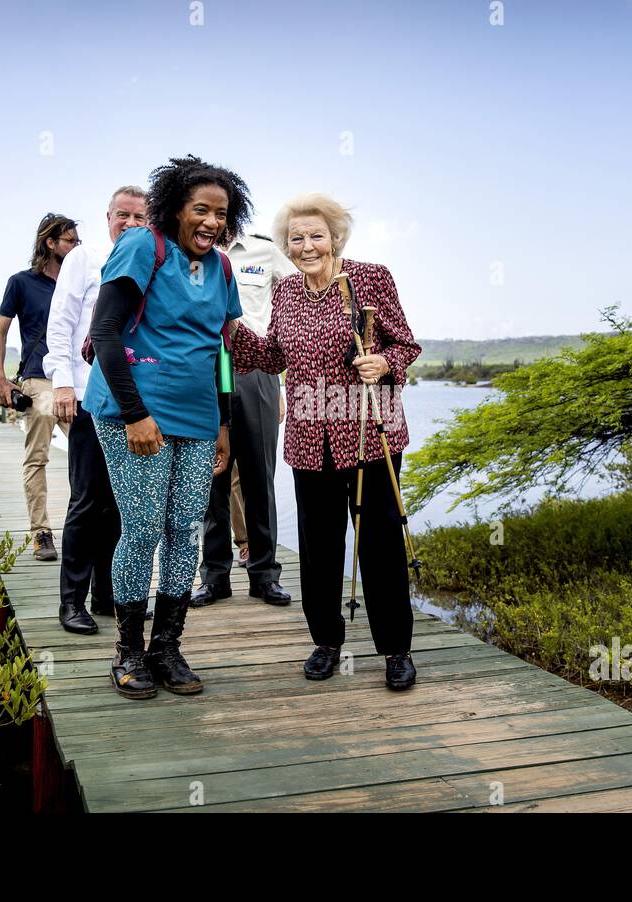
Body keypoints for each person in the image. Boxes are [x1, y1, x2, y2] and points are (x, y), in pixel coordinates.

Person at [230, 193, 422, 690]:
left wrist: (384, 364)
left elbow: (405, 343)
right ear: (286, 246)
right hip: (309, 437)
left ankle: (395, 650)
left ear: (335, 238)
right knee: (318, 549)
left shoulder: (370, 278)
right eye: (296, 238)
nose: (307, 245)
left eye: (317, 235)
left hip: (368, 433)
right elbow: (273, 356)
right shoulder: (288, 292)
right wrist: (230, 330)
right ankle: (326, 642)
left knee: (379, 544)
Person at [83, 155, 249, 699]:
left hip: (198, 416)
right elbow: (106, 333)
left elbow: (221, 350)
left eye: (221, 213)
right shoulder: (142, 246)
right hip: (135, 410)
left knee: (185, 528)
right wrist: (135, 413)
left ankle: (167, 647)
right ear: (176, 207)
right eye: (200, 209)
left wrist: (223, 422)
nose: (211, 222)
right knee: (144, 527)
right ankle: (128, 651)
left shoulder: (222, 268)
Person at [43, 186, 148, 634]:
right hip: (89, 396)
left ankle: (108, 594)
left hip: (132, 404)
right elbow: (62, 323)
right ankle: (73, 601)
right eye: (121, 215)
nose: (129, 223)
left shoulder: (148, 261)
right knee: (87, 501)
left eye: (139, 218)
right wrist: (62, 384)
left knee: (121, 503)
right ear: (107, 217)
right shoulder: (83, 260)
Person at [191, 231, 299, 609]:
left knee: (259, 478)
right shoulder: (187, 250)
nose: (213, 218)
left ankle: (265, 575)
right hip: (202, 371)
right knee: (210, 479)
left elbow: (301, 293)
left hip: (256, 369)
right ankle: (215, 577)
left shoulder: (264, 250)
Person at [0, 213, 78, 561]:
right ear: (50, 243)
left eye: (77, 241)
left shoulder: (81, 282)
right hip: (40, 380)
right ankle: (41, 533)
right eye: (69, 241)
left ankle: (85, 529)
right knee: (37, 458)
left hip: (76, 382)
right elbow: (0, 331)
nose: (75, 247)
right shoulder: (21, 282)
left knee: (94, 456)